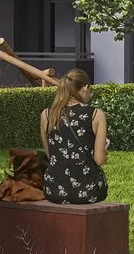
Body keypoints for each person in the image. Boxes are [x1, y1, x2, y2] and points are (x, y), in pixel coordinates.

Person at [38, 68, 108, 205]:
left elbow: (51, 155)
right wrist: (105, 151)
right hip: (89, 191)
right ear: (85, 88)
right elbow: (99, 160)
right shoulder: (96, 115)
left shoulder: (47, 115)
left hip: (54, 191)